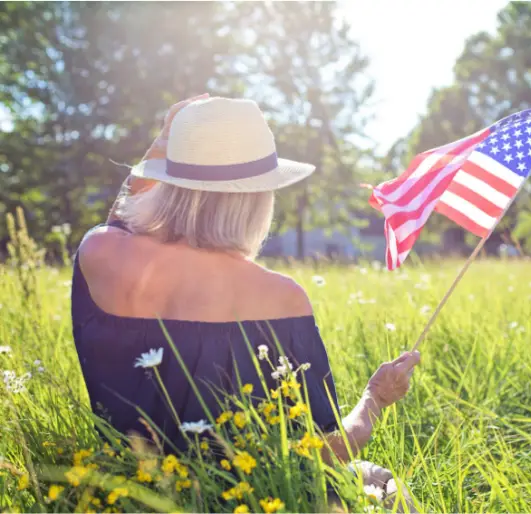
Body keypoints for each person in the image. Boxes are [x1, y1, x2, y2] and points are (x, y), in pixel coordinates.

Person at [70, 94, 420, 502]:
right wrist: (374, 398)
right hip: (252, 501)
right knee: (379, 482)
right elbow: (324, 453)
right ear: (259, 197)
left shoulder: (100, 253)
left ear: (167, 179)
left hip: (132, 496)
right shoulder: (281, 298)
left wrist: (169, 141)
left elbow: (123, 214)